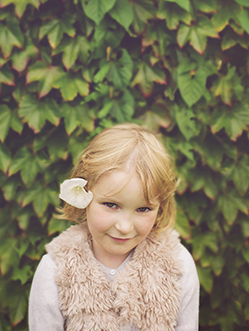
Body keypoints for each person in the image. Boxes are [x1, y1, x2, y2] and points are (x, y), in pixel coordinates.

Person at [29, 123, 200, 331]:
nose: (125, 227)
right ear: (85, 194)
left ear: (160, 206)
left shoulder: (177, 265)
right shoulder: (56, 270)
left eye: (143, 209)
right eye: (111, 205)